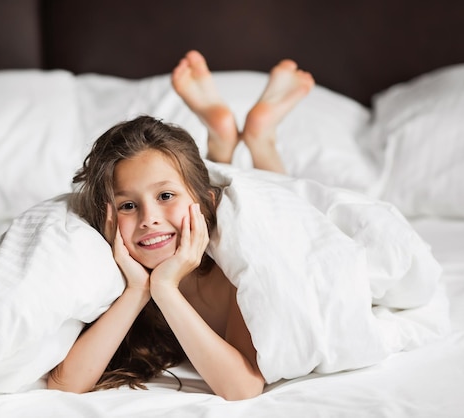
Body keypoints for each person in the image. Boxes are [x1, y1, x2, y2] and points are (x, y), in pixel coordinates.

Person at [47, 50, 314, 401]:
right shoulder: (118, 274)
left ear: (207, 201)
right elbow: (63, 386)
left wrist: (168, 290)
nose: (149, 219)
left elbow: (243, 387)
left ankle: (257, 138)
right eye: (128, 205)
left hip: (242, 216)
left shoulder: (238, 266)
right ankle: (224, 138)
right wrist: (138, 290)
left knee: (283, 213)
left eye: (165, 196)